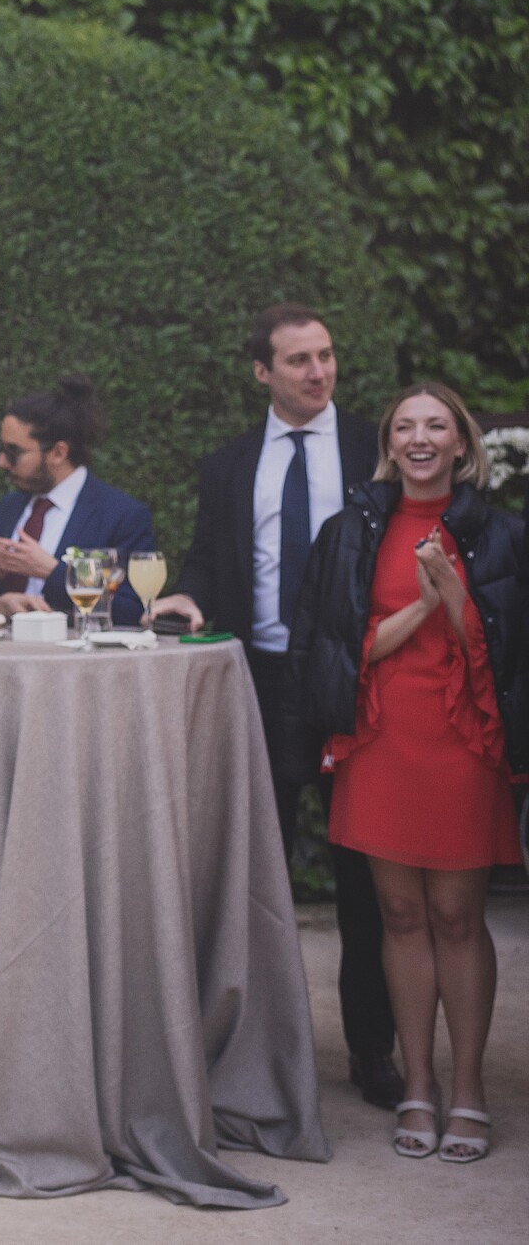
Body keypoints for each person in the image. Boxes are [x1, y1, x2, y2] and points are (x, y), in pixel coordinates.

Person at [151, 303, 398, 1109]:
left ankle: (371, 1051)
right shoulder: (228, 465)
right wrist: (187, 593)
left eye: (326, 355)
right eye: (298, 361)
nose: (319, 372)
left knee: (365, 873)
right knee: (250, 874)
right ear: (261, 371)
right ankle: (249, 1049)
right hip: (256, 685)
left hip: (357, 683)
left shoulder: (375, 447)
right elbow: (209, 558)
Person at [289, 382, 525, 1166]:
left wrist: (452, 592)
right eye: (405, 427)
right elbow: (336, 652)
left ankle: (469, 1092)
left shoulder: (503, 537)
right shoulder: (349, 532)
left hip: (463, 744)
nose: (420, 438)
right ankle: (417, 1085)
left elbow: (505, 656)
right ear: (390, 446)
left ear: (463, 444)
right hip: (380, 739)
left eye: (437, 426)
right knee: (397, 917)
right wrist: (424, 608)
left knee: (457, 917)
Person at [0, 375, 157, 626]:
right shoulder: (8, 508)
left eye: (13, 452)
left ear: (58, 453)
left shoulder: (122, 516)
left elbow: (133, 611)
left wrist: (54, 572)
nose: (1, 462)